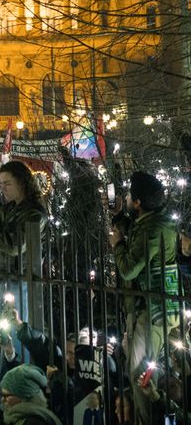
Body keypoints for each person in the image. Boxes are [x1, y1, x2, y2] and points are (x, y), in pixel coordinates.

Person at [0, 160, 47, 411]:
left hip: (19, 281)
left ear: (23, 183)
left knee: (12, 338)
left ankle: (14, 397)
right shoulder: (8, 209)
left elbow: (13, 246)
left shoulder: (34, 213)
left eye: (7, 183)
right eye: (0, 184)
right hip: (0, 278)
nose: (3, 189)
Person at [111, 171, 180, 425]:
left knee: (141, 372)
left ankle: (148, 419)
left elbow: (130, 268)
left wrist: (117, 244)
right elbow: (140, 239)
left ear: (138, 202)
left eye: (129, 196)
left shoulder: (153, 229)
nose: (127, 199)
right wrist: (119, 219)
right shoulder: (153, 224)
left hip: (153, 310)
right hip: (154, 307)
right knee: (147, 370)